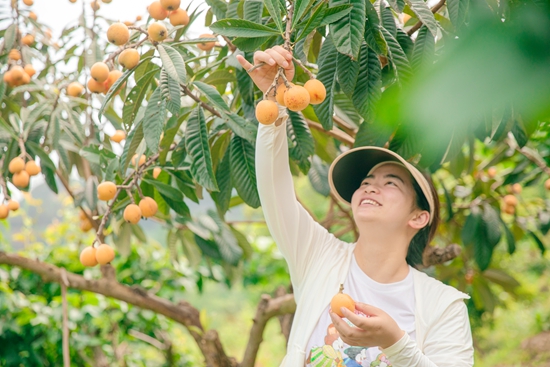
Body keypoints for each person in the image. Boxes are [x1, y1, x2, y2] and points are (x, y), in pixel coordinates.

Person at [237, 46, 474, 367]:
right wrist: (275, 101)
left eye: (391, 182)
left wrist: (396, 343)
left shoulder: (443, 305)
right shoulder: (319, 257)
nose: (369, 185)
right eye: (367, 180)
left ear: (419, 217)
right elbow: (274, 189)